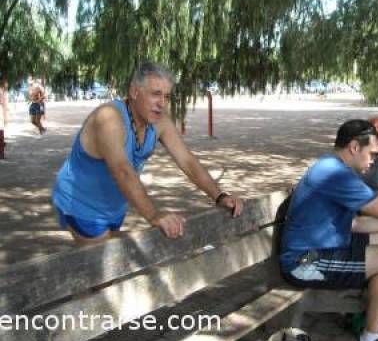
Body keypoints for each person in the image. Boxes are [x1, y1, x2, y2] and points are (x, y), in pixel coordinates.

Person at [52, 62, 243, 245]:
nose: (162, 103)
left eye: (167, 96)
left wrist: (219, 197)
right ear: (135, 91)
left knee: (112, 262)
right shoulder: (109, 118)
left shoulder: (160, 122)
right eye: (155, 94)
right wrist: (154, 216)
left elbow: (187, 160)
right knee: (106, 268)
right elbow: (122, 170)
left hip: (114, 207)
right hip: (82, 204)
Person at [280, 119, 378, 341]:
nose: (374, 161)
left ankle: (373, 315)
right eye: (372, 154)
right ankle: (371, 337)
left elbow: (356, 224)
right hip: (304, 263)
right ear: (354, 147)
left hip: (323, 249)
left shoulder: (335, 167)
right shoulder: (335, 173)